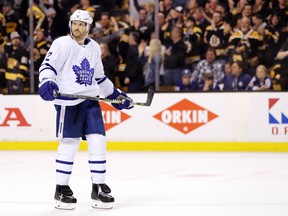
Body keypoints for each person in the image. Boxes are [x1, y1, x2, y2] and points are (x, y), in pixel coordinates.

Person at [38, 10, 133, 210]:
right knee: (69, 143)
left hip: (90, 100)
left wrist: (116, 95)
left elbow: (99, 78)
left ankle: (98, 187)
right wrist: (47, 82)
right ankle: (61, 189)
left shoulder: (94, 47)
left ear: (88, 27)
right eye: (74, 23)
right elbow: (48, 66)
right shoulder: (62, 44)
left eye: (82, 24)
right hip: (68, 100)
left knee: (98, 140)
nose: (77, 28)